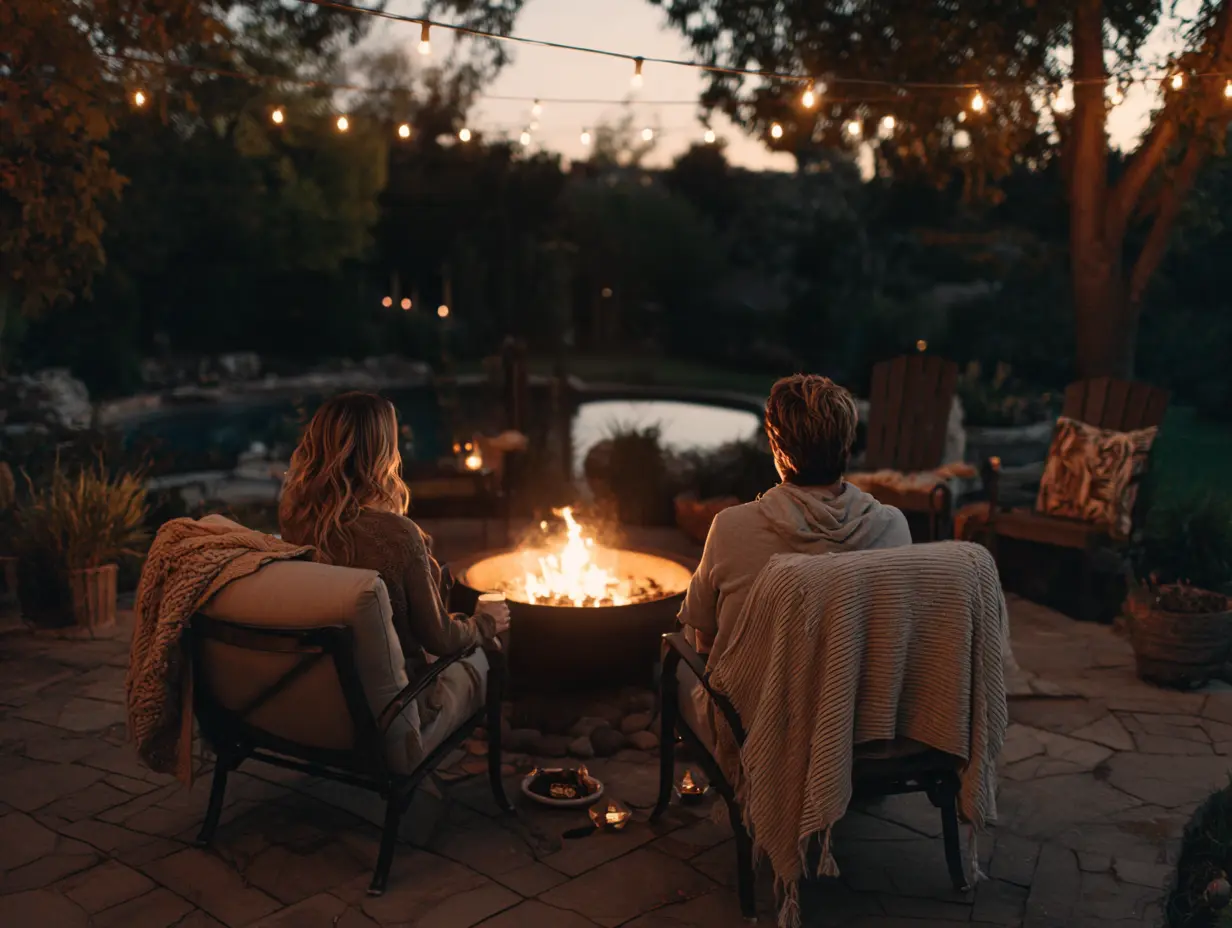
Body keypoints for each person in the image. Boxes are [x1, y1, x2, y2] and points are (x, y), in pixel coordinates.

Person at [677, 374, 912, 742]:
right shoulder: (894, 527)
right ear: (847, 447)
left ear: (777, 448)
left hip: (757, 730)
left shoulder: (731, 527)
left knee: (677, 652)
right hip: (861, 726)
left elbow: (704, 639)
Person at [279, 392, 510, 686]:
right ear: (381, 452)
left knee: (446, 574)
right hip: (399, 698)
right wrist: (485, 622)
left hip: (324, 684)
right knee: (492, 644)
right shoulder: (398, 535)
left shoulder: (295, 519)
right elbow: (440, 640)